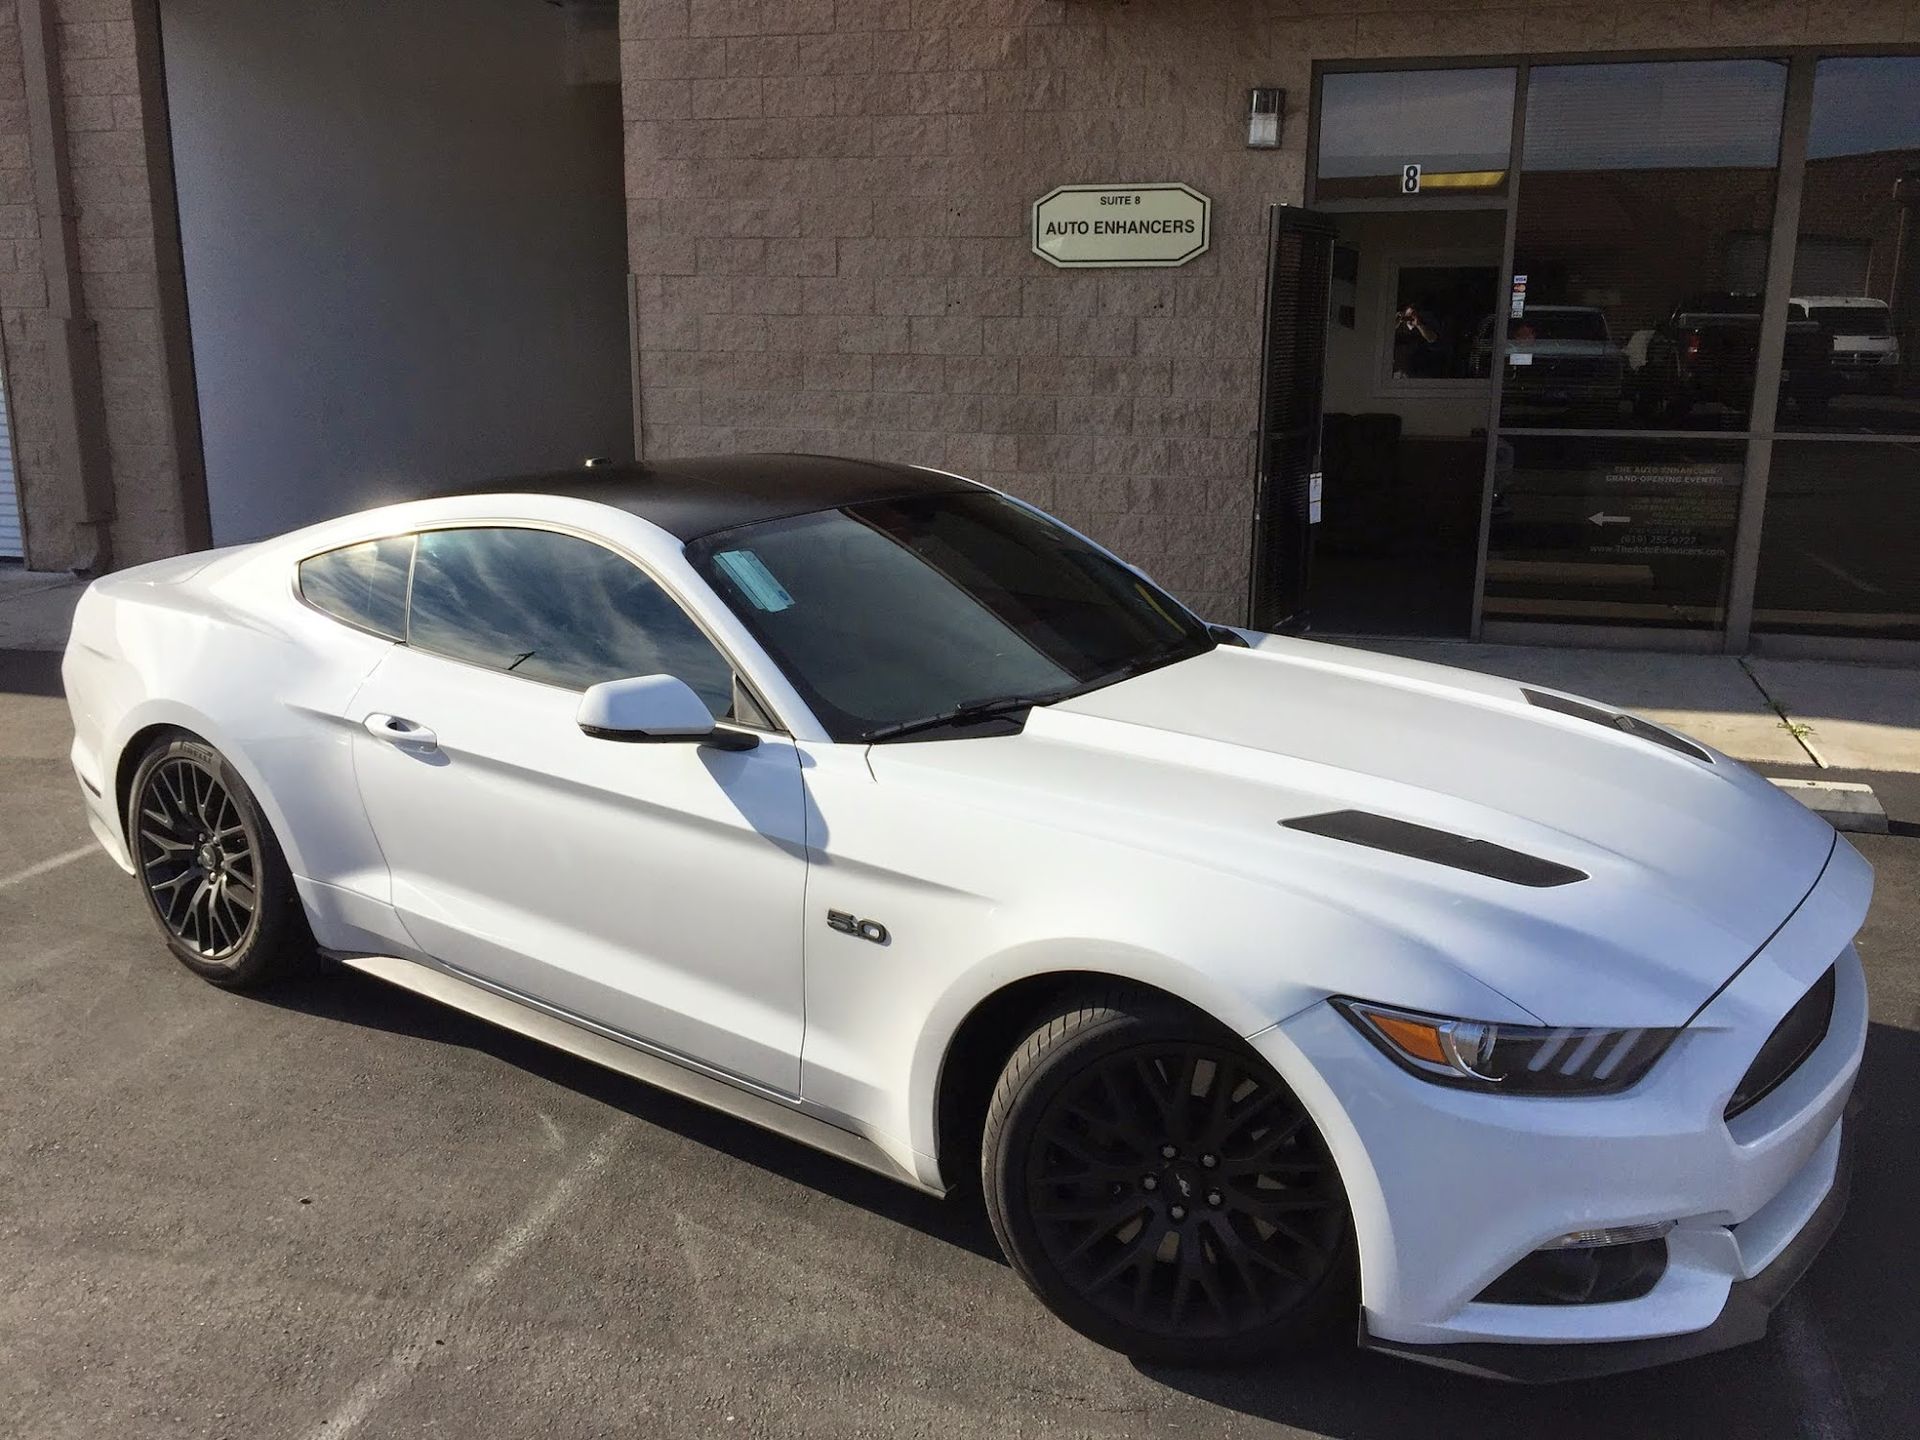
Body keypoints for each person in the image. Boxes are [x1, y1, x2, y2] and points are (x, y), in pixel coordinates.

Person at [1392, 303, 1441, 378]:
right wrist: (1394, 324)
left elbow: (1432, 339)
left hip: (1417, 369)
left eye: (1413, 314)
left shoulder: (1424, 326)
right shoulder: (1399, 327)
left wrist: (1419, 325)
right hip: (1398, 370)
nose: (1410, 317)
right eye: (1407, 315)